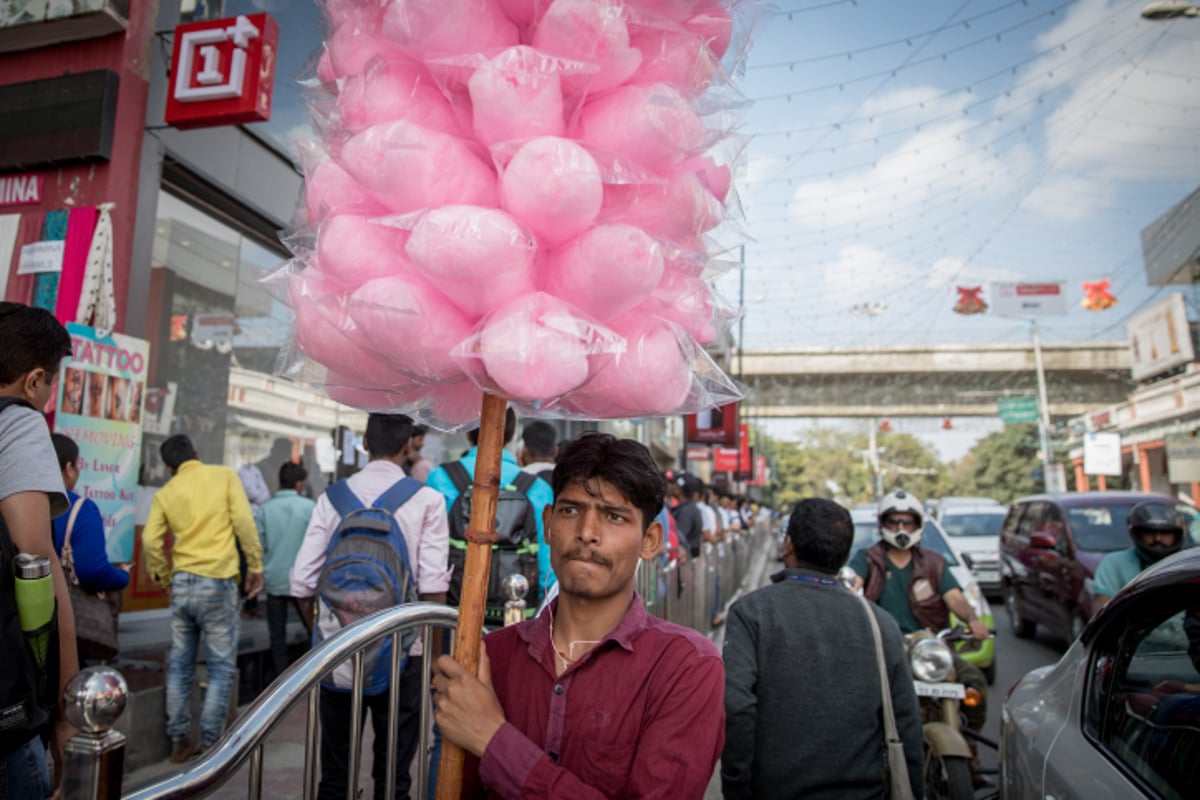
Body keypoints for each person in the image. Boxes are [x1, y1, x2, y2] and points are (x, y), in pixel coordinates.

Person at [432, 433, 725, 799]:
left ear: (650, 541)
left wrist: (493, 739)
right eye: (571, 511)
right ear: (549, 523)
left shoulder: (686, 667)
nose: (587, 534)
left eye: (614, 517)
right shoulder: (492, 656)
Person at [290, 413, 450, 800]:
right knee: (394, 775)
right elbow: (432, 587)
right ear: (408, 445)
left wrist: (324, 633)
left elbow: (300, 583)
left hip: (337, 651)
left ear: (364, 443)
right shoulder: (428, 499)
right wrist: (431, 655)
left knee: (334, 771)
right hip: (404, 652)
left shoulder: (332, 497)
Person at [722, 498, 923, 799]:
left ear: (788, 544)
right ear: (844, 555)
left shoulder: (751, 613)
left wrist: (736, 786)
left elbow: (737, 709)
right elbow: (907, 724)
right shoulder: (880, 624)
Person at [141, 434, 264, 762]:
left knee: (180, 664)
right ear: (196, 453)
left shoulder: (166, 492)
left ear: (169, 468)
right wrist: (255, 565)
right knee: (221, 666)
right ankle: (211, 747)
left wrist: (163, 578)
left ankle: (180, 740)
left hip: (182, 583)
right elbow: (244, 523)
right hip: (218, 581)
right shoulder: (224, 476)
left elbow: (151, 541)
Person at [0, 302, 78, 798]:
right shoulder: (19, 421)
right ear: (33, 380)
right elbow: (35, 561)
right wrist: (67, 709)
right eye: (52, 384)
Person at [848, 489, 989, 732]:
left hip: (930, 646)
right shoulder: (868, 558)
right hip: (886, 647)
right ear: (883, 524)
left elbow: (954, 597)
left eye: (907, 521)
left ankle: (968, 745)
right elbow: (851, 587)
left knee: (974, 683)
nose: (900, 528)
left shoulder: (934, 562)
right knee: (859, 697)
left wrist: (973, 619)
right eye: (894, 522)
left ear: (918, 524)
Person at [426, 408, 556, 601]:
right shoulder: (537, 488)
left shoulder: (441, 478)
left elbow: (431, 554)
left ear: (468, 432)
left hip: (453, 610)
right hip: (516, 609)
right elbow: (546, 564)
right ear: (511, 434)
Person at [50, 433, 131, 661]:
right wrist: (122, 575)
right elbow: (91, 570)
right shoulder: (80, 508)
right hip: (61, 623)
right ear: (69, 468)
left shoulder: (15, 500)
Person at [255, 461, 316, 680]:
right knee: (313, 630)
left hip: (274, 581)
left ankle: (281, 680)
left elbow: (258, 545)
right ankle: (311, 676)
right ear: (299, 484)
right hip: (303, 581)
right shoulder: (310, 507)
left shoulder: (264, 509)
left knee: (277, 636)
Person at [1093, 500, 1188, 608]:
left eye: (1165, 532)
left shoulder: (1188, 563)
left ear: (1176, 535)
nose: (1158, 538)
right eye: (1150, 532)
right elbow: (1102, 609)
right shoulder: (1114, 564)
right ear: (1138, 533)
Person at [668, 472, 704, 558]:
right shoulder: (689, 508)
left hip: (684, 563)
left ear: (679, 489)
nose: (670, 486)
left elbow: (679, 536)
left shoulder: (686, 511)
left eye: (674, 484)